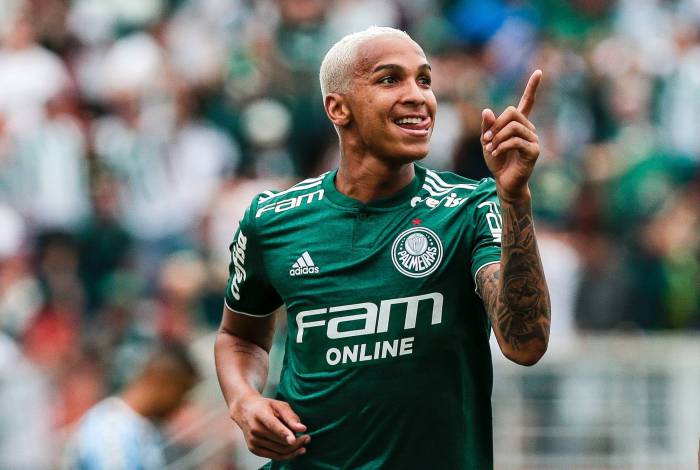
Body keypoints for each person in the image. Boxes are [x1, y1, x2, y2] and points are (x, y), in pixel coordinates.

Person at [215, 26, 550, 469]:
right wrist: (244, 400)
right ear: (338, 108)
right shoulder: (272, 219)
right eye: (390, 79)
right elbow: (239, 336)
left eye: (424, 80)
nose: (418, 96)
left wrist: (515, 199)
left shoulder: (470, 208)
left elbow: (525, 345)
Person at [62, 341, 199, 470]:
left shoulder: (139, 429)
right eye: (183, 392)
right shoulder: (112, 431)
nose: (181, 405)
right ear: (165, 383)